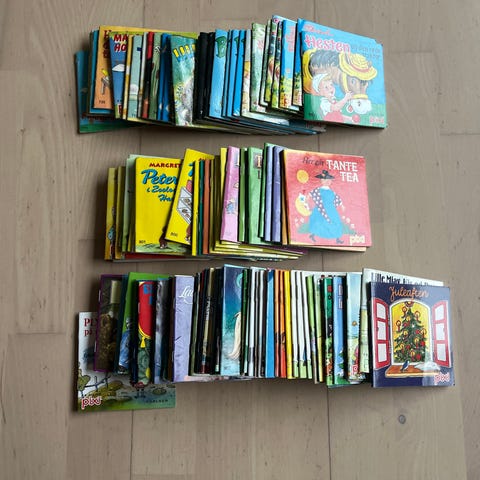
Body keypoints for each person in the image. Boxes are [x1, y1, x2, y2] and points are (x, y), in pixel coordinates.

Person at [308, 170, 346, 244]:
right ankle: (312, 235)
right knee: (318, 221)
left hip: (331, 209)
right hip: (320, 208)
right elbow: (310, 194)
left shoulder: (331, 192)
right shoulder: (318, 190)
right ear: (321, 181)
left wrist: (342, 205)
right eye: (325, 179)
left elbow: (337, 198)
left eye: (329, 179)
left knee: (336, 221)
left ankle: (337, 238)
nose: (327, 181)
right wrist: (307, 199)